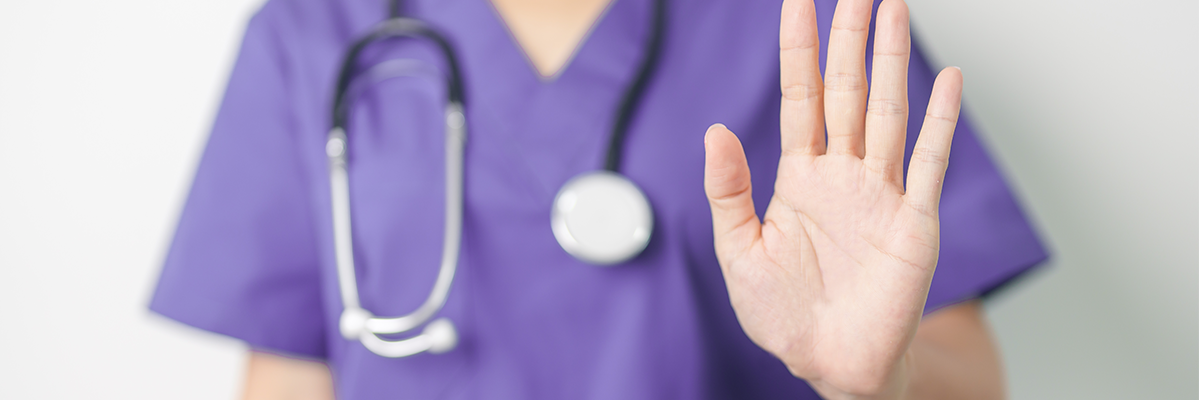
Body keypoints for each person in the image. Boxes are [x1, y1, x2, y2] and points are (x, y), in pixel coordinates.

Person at [150, 0, 1048, 398]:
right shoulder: (312, 33)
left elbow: (958, 371)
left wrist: (869, 386)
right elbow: (291, 377)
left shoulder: (809, 28)